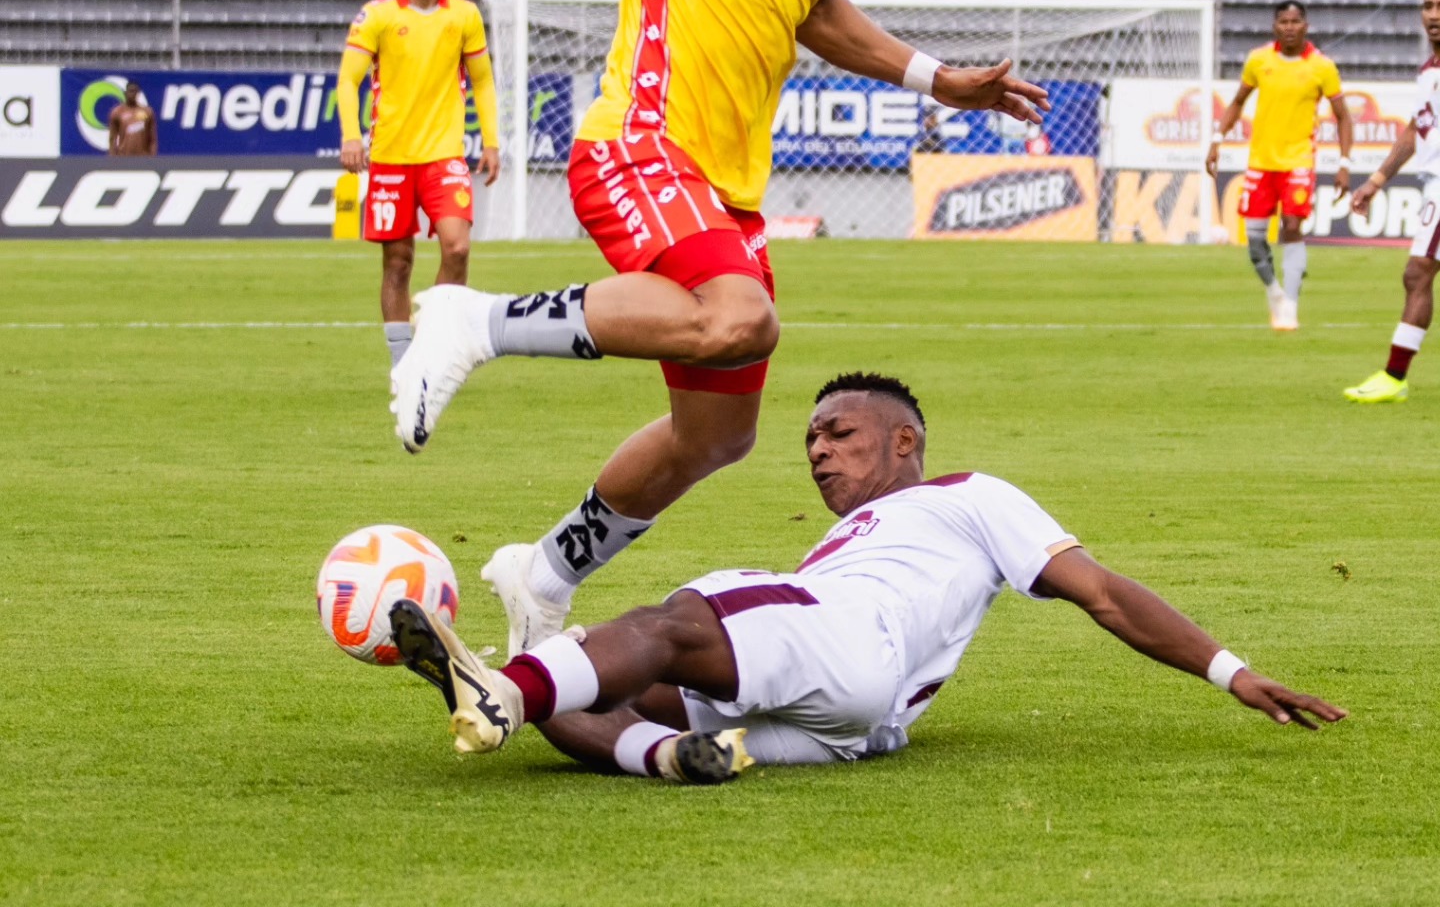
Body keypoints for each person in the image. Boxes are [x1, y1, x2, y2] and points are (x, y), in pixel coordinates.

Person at [257, 0, 1050, 661]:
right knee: (742, 318)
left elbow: (807, 2)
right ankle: (471, 320)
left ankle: (543, 575)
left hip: (726, 186)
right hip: (640, 142)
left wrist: (937, 79)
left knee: (718, 435)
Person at [386, 371, 1347, 782]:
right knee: (596, 685)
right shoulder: (848, 544)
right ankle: (660, 756)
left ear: (904, 441)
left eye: (837, 432)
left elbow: (1102, 592)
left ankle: (502, 686)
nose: (816, 450)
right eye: (809, 439)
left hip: (855, 641)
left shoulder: (968, 495)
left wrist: (1229, 669)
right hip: (858, 727)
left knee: (673, 619)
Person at [336, 0, 502, 368]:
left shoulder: (464, 15)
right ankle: (402, 363)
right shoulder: (377, 15)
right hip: (391, 156)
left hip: (444, 154)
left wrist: (491, 141)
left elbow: (482, 81)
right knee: (398, 261)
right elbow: (349, 79)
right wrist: (351, 135)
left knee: (458, 247)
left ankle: (439, 343)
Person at [1206, 1, 1353, 332]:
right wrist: (1217, 139)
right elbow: (1238, 101)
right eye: (1283, 21)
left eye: (1295, 21)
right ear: (1274, 26)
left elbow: (1343, 116)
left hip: (1299, 161)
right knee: (1256, 240)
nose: (1289, 27)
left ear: (1306, 26)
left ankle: (1291, 304)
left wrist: (1344, 163)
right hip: (1261, 162)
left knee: (1291, 225)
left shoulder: (1322, 67)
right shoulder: (1259, 60)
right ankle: (1274, 292)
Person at [1343, 0, 1440, 404]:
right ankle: (1394, 377)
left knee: (1418, 271)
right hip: (1433, 182)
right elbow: (1414, 129)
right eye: (1428, 6)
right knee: (1418, 273)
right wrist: (1377, 180)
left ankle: (1394, 376)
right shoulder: (1428, 72)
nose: (1434, 15)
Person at [106, 81, 156, 156]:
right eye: (131, 91)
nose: (133, 94)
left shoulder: (147, 112)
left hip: (143, 158)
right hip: (123, 158)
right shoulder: (117, 112)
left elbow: (152, 139)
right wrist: (112, 158)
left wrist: (152, 157)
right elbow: (112, 139)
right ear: (125, 93)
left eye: (136, 91)